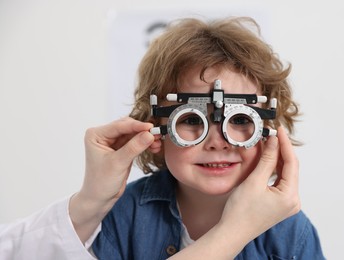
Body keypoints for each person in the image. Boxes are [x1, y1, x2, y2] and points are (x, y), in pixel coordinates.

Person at [0, 17, 325, 259]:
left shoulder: (290, 233)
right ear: (156, 129)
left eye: (240, 120)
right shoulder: (119, 216)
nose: (216, 141)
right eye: (190, 120)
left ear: (269, 130)